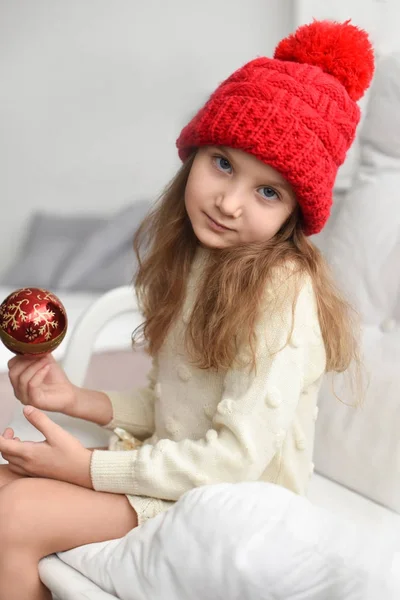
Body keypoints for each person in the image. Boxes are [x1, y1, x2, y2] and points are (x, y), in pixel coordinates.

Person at [0, 19, 374, 600]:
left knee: (17, 513)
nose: (228, 203)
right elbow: (173, 408)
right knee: (5, 484)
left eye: (267, 191)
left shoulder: (281, 292)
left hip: (235, 505)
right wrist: (77, 400)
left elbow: (235, 459)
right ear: (194, 153)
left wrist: (91, 470)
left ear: (294, 214)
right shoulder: (202, 261)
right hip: (181, 475)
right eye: (223, 164)